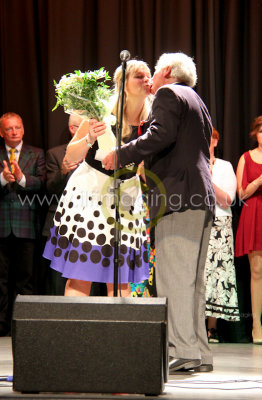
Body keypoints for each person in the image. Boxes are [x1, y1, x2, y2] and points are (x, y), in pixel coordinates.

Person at [103, 52, 215, 372]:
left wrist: (121, 153)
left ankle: (183, 349)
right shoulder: (196, 99)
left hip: (178, 198)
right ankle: (199, 352)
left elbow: (160, 135)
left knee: (174, 279)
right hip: (200, 198)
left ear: (166, 70)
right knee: (192, 282)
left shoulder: (168, 93)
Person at [43, 60, 152, 297]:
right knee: (82, 272)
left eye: (148, 76)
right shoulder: (101, 112)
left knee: (121, 278)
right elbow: (70, 157)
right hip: (91, 195)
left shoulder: (152, 120)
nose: (146, 80)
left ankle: (119, 334)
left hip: (126, 198)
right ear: (123, 84)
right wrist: (89, 137)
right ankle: (76, 333)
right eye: (139, 77)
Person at [0, 112, 46, 336]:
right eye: (9, 129)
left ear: (24, 129)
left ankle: (25, 327)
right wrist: (2, 178)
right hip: (1, 227)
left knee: (25, 279)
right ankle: (2, 327)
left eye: (17, 127)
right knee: (0, 281)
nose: (14, 132)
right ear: (1, 132)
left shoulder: (36, 154)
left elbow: (42, 183)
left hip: (26, 226)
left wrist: (21, 178)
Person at [205, 127, 239, 343]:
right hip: (195, 221)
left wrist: (207, 177)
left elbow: (227, 199)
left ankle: (212, 327)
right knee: (197, 273)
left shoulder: (225, 166)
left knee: (217, 273)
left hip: (220, 223)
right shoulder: (189, 164)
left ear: (215, 141)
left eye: (208, 139)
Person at [41, 114, 83, 295]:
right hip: (61, 226)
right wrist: (64, 170)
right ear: (73, 129)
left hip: (90, 226)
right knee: (59, 280)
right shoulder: (56, 154)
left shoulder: (98, 153)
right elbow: (50, 188)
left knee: (88, 278)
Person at [235, 115, 262, 345]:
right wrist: (258, 181)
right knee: (257, 271)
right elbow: (241, 194)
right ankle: (256, 324)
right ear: (255, 134)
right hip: (255, 213)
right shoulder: (245, 158)